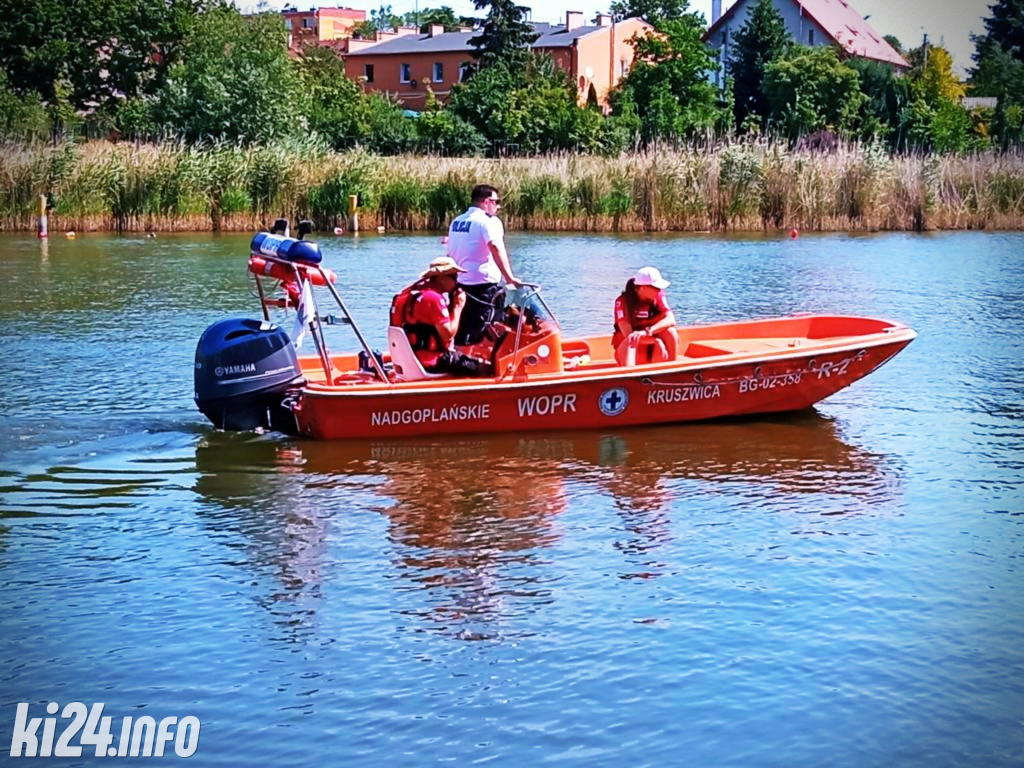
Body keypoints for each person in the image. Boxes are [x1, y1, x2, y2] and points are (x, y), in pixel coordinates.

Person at [389, 256, 493, 377]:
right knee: (486, 369)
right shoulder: (433, 299)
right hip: (432, 360)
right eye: (454, 277)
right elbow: (448, 335)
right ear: (441, 278)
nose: (457, 282)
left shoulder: (413, 294)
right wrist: (458, 307)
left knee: (465, 358)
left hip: (412, 356)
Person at [446, 184, 522, 345]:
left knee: (462, 328)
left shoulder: (457, 221)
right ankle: (482, 365)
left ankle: (460, 357)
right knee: (485, 331)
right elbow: (495, 246)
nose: (498, 206)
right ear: (486, 202)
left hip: (458, 285)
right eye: (496, 201)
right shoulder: (489, 221)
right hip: (482, 286)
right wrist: (509, 277)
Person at [612, 267, 678, 366]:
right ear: (642, 288)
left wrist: (649, 331)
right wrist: (654, 341)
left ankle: (672, 368)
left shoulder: (658, 297)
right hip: (634, 346)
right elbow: (628, 335)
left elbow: (671, 319)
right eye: (655, 287)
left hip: (651, 342)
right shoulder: (622, 302)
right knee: (632, 339)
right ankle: (629, 375)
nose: (659, 290)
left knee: (670, 331)